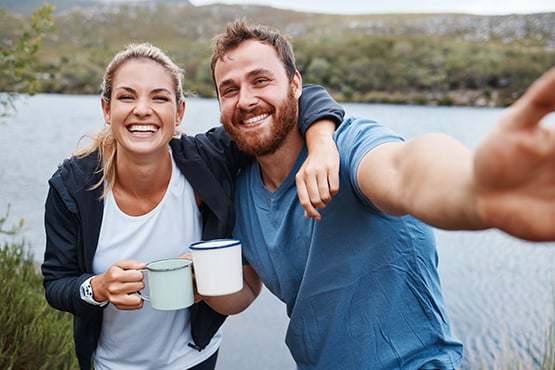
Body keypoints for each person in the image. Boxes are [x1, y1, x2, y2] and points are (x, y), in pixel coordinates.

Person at [208, 20, 555, 369]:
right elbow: (247, 287)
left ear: (295, 84)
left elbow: (405, 171)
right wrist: (203, 283)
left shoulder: (349, 144)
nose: (246, 100)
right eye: (230, 90)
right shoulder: (240, 191)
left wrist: (474, 187)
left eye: (261, 80)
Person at [40, 42, 344, 370]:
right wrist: (96, 288)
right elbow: (57, 283)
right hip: (109, 364)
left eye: (159, 97)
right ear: (106, 108)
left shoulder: (208, 160)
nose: (142, 109)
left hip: (195, 357)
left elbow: (299, 96)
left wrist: (322, 144)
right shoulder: (72, 186)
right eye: (127, 97)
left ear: (179, 111)